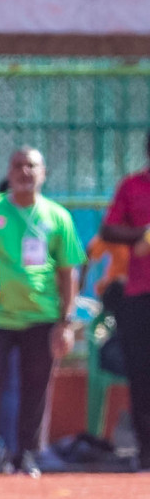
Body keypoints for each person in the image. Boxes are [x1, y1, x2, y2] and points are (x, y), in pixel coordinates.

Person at [0, 148, 86, 478]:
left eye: (31, 165)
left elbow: (67, 272)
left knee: (36, 385)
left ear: (43, 172)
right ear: (9, 171)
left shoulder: (58, 216)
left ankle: (26, 454)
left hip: (41, 317)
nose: (24, 171)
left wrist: (66, 322)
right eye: (17, 165)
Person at [98, 129, 150, 469]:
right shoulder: (133, 186)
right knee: (142, 374)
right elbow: (109, 230)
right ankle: (146, 451)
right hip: (139, 296)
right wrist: (143, 234)